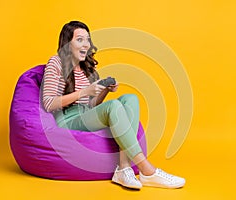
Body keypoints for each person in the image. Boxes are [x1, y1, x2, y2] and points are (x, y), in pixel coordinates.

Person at [42, 21, 185, 189]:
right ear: (67, 43)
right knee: (113, 106)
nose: (86, 44)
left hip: (86, 114)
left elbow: (93, 105)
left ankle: (123, 169)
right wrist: (85, 92)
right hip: (68, 118)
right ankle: (147, 170)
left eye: (87, 40)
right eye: (79, 39)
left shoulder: (88, 69)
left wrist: (104, 90)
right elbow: (49, 103)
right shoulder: (56, 63)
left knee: (130, 99)